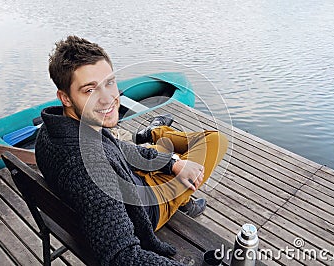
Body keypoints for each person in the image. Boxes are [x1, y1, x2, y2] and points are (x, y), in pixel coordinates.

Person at [35, 35, 228, 265]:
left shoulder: (51, 130)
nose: (107, 99)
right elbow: (123, 257)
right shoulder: (90, 169)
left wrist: (172, 163)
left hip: (130, 182)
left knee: (159, 152)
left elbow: (117, 148)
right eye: (89, 90)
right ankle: (163, 148)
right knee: (215, 140)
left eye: (109, 82)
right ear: (65, 98)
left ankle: (158, 136)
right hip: (150, 206)